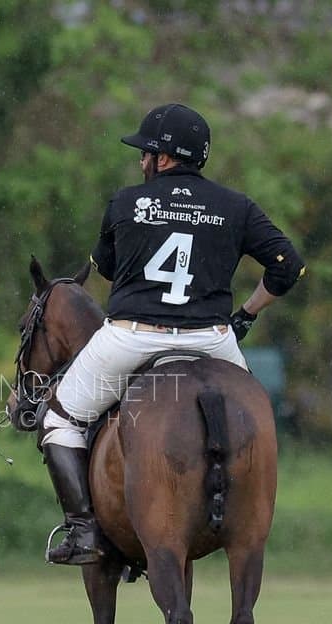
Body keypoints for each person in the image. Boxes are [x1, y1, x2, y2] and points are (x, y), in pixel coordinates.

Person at [42, 103, 307, 565]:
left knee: (60, 420)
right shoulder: (236, 206)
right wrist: (246, 313)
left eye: (144, 153)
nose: (141, 162)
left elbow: (105, 267)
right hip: (211, 340)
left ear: (162, 158)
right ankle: (249, 516)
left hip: (133, 337)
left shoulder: (126, 201)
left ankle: (84, 530)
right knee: (254, 423)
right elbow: (289, 267)